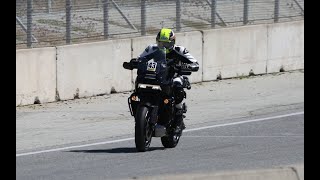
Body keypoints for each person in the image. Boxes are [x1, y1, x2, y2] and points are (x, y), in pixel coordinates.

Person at [135, 28, 199, 132]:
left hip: (174, 76)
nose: (164, 46)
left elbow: (195, 63)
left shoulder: (180, 50)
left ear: (173, 42)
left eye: (167, 44)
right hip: (158, 76)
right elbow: (140, 59)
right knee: (141, 81)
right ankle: (141, 110)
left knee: (178, 83)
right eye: (161, 43)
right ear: (157, 41)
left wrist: (189, 67)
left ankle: (178, 116)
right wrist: (135, 63)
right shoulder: (152, 48)